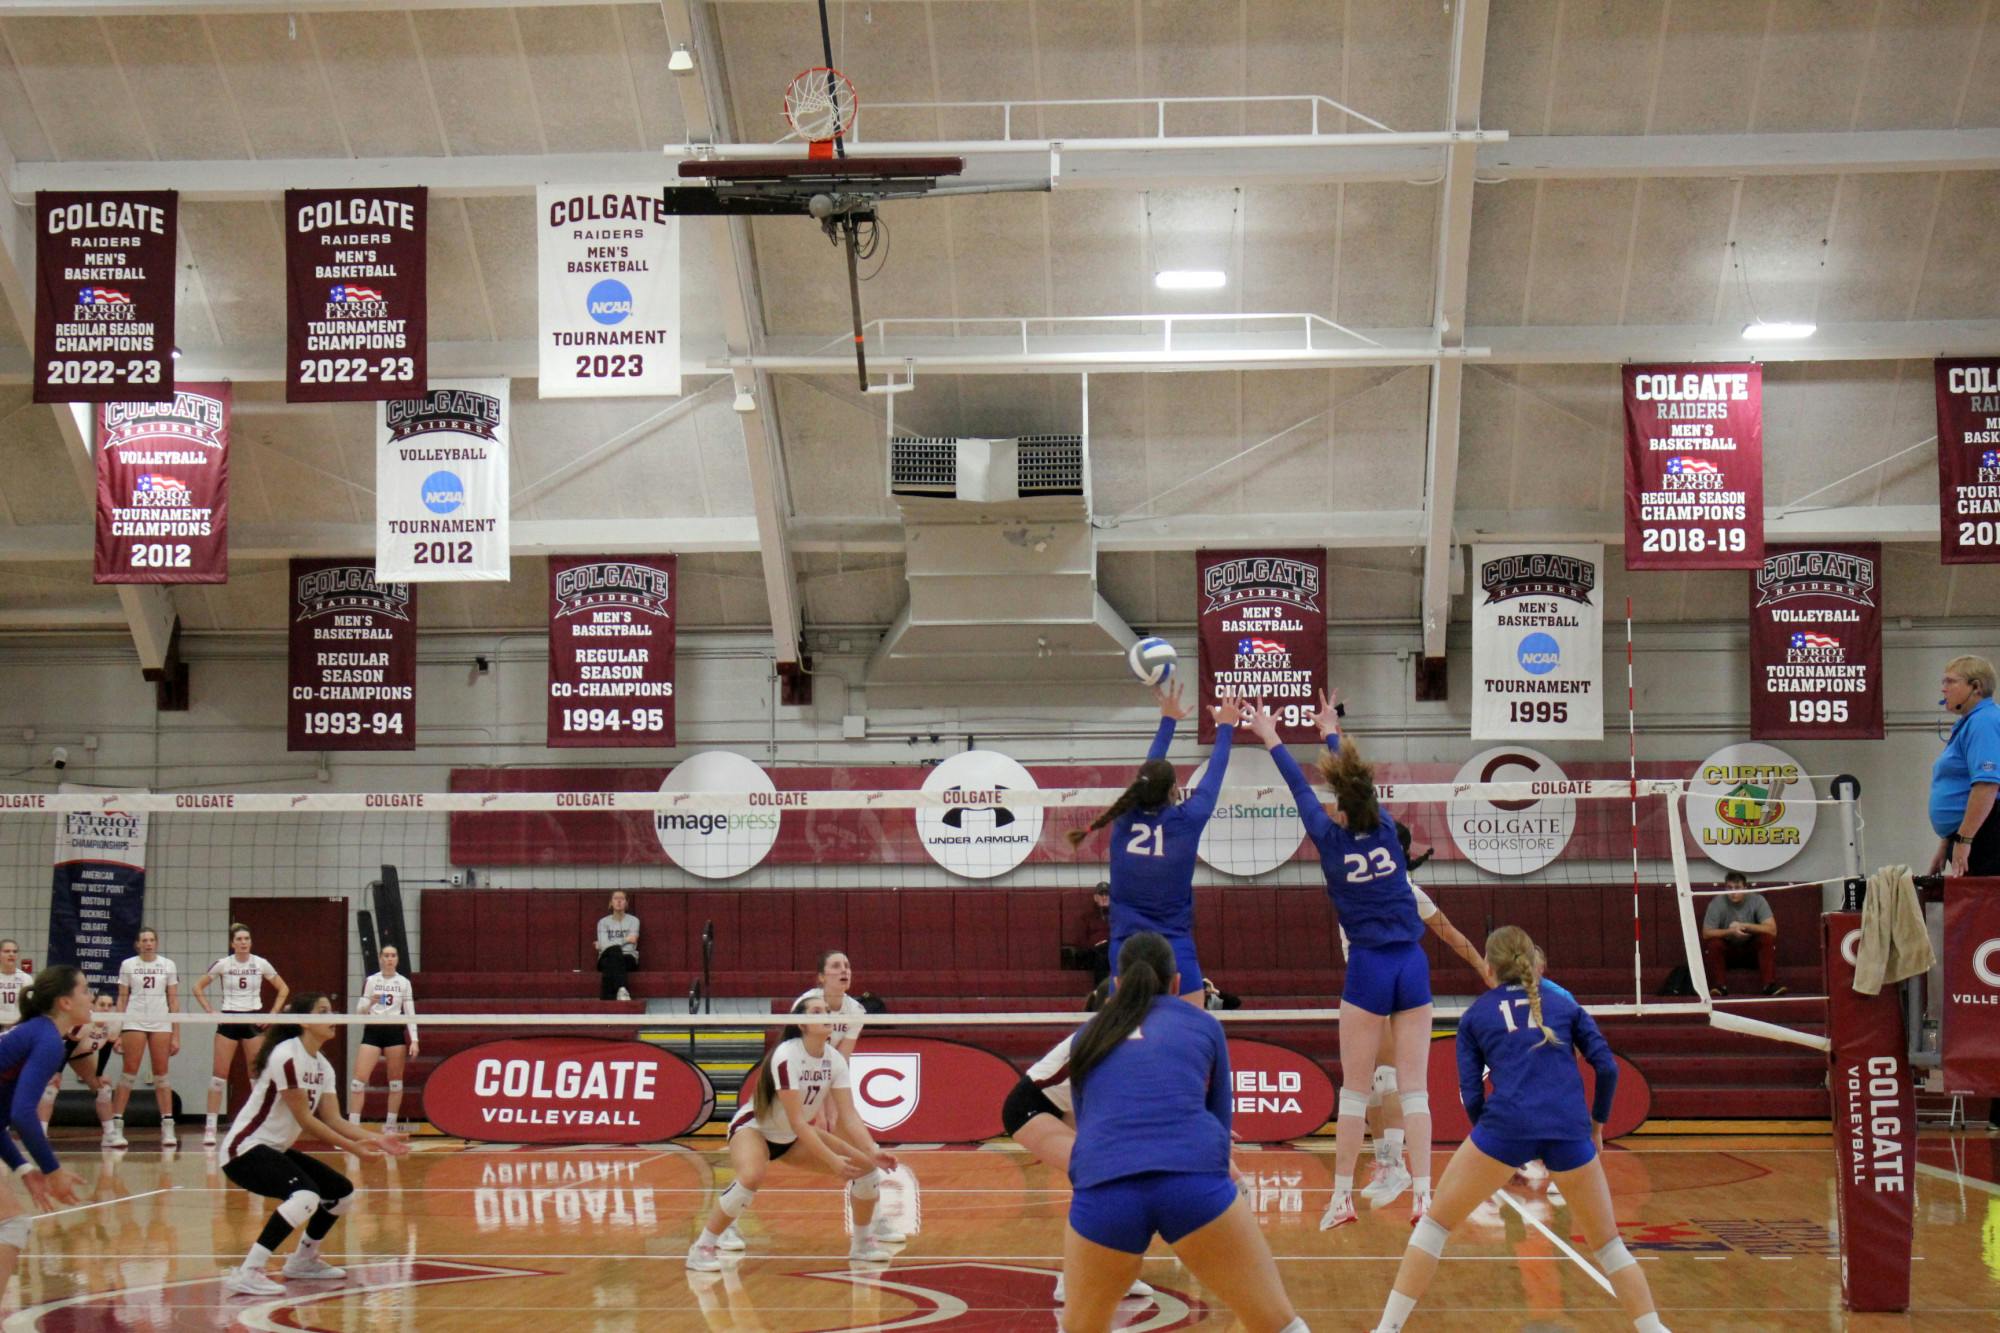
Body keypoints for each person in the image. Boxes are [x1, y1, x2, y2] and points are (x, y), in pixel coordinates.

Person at [1370, 926, 1669, 1333]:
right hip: (1568, 1129)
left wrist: (1490, 1149)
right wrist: (1597, 1126)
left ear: (1488, 969)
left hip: (1505, 1128)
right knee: (1609, 1245)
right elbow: (1607, 1067)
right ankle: (1654, 1329)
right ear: (1534, 962)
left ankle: (1386, 1330)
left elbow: (1471, 1092)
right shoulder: (1564, 1003)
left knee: (1435, 1226)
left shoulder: (1477, 1014)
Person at [1249, 692, 1437, 1227]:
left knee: (1355, 1091)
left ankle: (1340, 1200)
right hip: (1412, 963)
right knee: (1414, 1087)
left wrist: (1270, 735)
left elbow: (1298, 786)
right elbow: (1354, 780)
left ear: (1339, 805)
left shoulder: (1329, 840)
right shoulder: (1386, 832)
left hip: (1370, 967)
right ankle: (1424, 1198)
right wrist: (1331, 730)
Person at [1061, 932, 1304, 1333]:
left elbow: (1088, 1126)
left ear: (1117, 984)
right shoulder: (1203, 1024)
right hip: (1192, 1183)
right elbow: (1220, 1122)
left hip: (1105, 1190)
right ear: (1176, 984)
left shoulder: (1087, 1035)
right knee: (1278, 1323)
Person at [685, 996, 901, 1273]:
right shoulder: (787, 1055)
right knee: (751, 1177)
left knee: (867, 1170)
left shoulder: (834, 1060)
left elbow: (848, 1115)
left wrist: (872, 1150)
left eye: (827, 1010)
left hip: (790, 1136)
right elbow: (799, 1122)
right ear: (802, 1023)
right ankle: (703, 1246)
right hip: (755, 1130)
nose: (826, 1014)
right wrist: (833, 1161)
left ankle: (862, 1245)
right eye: (817, 1011)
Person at [1066, 682, 1245, 1003]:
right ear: (1174, 790)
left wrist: (1168, 721)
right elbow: (1212, 777)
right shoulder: (1187, 821)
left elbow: (1148, 771)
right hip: (1175, 944)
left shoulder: (1123, 816)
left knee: (1126, 1035)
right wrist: (1226, 728)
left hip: (1125, 945)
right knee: (1191, 1031)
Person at [219, 993, 407, 1296]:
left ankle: (303, 1260)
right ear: (305, 1021)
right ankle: (249, 1271)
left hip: (273, 1149)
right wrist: (353, 1148)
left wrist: (376, 1138)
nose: (332, 1016)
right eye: (323, 1011)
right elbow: (307, 1121)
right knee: (305, 1195)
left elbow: (333, 1118)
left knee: (341, 1193)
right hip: (243, 1150)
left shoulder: (322, 1067)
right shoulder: (287, 1055)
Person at [1351, 824, 1494, 1207]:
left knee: (1388, 1076)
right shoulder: (1352, 883)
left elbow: (1450, 934)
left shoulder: (1409, 893)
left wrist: (1483, 968)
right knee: (1370, 1081)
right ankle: (1388, 1163)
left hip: (1396, 985)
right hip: (1365, 981)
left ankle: (1394, 1163)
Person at [1000, 985, 1156, 1305]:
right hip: (1030, 1109)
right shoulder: (1102, 1039)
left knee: (1122, 1185)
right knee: (1100, 1182)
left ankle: (1117, 1270)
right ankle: (1072, 1279)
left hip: (1068, 1109)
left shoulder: (1132, 1039)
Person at [0, 965, 92, 1295]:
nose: (91, 996)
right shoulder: (48, 1039)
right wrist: (52, 1170)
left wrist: (25, 1169)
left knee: (11, 1224)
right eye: (84, 989)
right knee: (13, 1224)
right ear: (65, 1002)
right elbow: (23, 1115)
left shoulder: (37, 1033)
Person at [193, 924, 290, 1149]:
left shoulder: (260, 963)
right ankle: (210, 1128)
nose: (243, 942)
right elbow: (197, 987)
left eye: (247, 938)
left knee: (256, 1077)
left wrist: (272, 1015)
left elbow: (283, 988)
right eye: (239, 939)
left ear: (251, 942)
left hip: (253, 1019)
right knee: (218, 1077)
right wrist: (210, 1010)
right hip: (229, 1019)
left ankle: (257, 1126)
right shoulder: (223, 964)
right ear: (232, 943)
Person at [110, 927, 179, 1150]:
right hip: (134, 1019)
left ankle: (167, 1125)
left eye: (151, 940)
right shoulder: (128, 965)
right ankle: (117, 1125)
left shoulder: (168, 965)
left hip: (160, 1021)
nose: (148, 943)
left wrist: (176, 1034)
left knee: (162, 1074)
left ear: (156, 943)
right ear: (138, 944)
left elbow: (174, 1001)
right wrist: (118, 1031)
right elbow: (121, 1000)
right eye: (144, 940)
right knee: (129, 1071)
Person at [1931, 654, 2000, 878]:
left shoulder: (1984, 722)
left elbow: (1986, 785)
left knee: (1983, 909)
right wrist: (1948, 841)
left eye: (1950, 681)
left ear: (1976, 687)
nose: (1944, 689)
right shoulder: (1968, 723)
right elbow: (1960, 788)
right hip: (1970, 835)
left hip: (1986, 836)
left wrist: (1964, 839)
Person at [353, 944, 419, 1131]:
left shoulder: (404, 982)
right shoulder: (372, 980)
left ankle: (390, 1127)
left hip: (394, 1032)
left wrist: (415, 1039)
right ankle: (353, 1127)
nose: (390, 959)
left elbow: (410, 1012)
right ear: (381, 958)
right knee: (358, 1082)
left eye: (393, 955)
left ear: (397, 959)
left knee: (396, 1082)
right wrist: (369, 1003)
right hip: (373, 1031)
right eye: (386, 955)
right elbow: (359, 1011)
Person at [41, 993, 120, 1145]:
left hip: (81, 1053)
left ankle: (109, 1134)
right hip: (59, 1050)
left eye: (109, 1006)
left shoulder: (115, 1023)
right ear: (93, 1006)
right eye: (101, 1005)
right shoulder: (84, 1021)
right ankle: (40, 1134)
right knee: (50, 1088)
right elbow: (68, 1047)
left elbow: (106, 1049)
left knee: (104, 1088)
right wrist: (58, 1072)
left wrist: (99, 1073)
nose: (105, 1009)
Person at [1700, 872, 1784, 997]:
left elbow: (1772, 930)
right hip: (1728, 952)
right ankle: (1719, 986)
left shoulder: (1757, 900)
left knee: (1766, 939)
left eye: (1737, 888)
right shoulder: (1717, 903)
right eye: (1729, 888)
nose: (1733, 893)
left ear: (1745, 888)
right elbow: (1706, 933)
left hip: (1752, 952)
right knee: (1714, 944)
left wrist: (1745, 926)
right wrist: (1730, 932)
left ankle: (1769, 985)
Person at [594, 891, 640, 1002]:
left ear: (626, 903)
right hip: (606, 957)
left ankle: (606, 1000)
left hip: (628, 957)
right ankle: (622, 989)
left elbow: (632, 943)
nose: (619, 901)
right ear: (610, 903)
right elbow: (606, 946)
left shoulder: (634, 921)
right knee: (614, 953)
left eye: (622, 898)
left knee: (611, 961)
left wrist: (605, 945)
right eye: (615, 898)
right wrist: (626, 940)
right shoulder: (603, 922)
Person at [1071, 883, 1113, 983]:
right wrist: (1095, 946)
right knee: (1101, 956)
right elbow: (1080, 941)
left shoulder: (1117, 916)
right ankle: (1100, 993)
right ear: (1095, 898)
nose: (1104, 897)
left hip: (1112, 950)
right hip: (1092, 953)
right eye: (1101, 895)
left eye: (1107, 895)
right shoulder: (1086, 917)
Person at [0, 940, 25, 1030]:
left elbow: (30, 1007)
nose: (11, 954)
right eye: (7, 951)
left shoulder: (25, 978)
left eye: (14, 951)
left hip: (18, 1025)